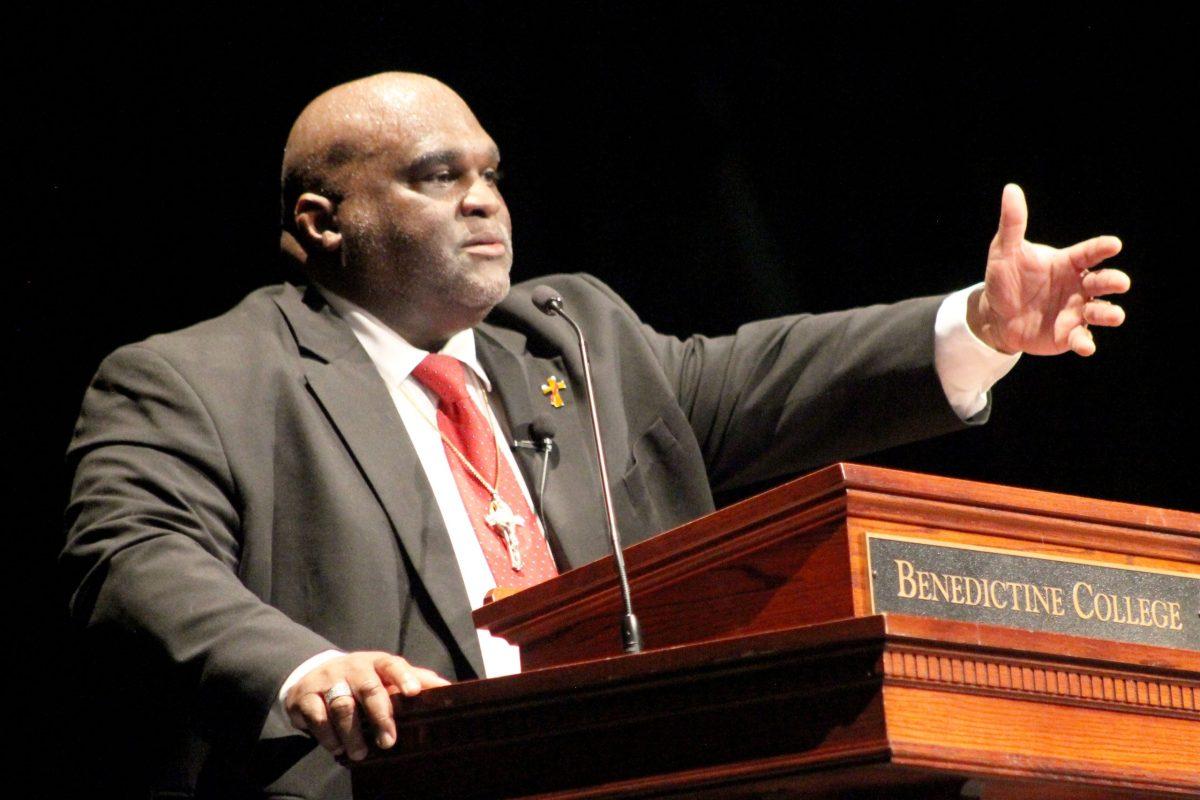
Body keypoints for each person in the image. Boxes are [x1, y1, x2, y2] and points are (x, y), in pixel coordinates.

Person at [61, 72, 1130, 799]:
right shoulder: (198, 379)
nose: (485, 203)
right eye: (439, 177)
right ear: (319, 222)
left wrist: (982, 325)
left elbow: (771, 375)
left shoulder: (570, 337)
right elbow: (133, 560)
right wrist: (308, 668)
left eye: (490, 173)